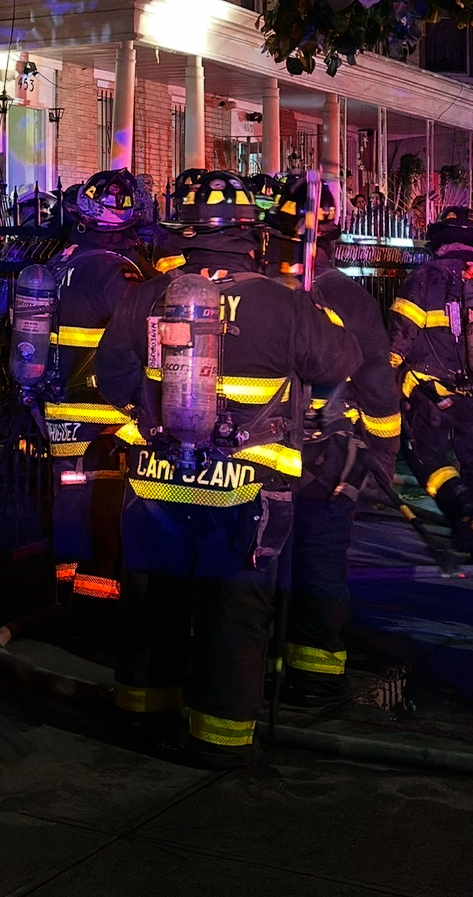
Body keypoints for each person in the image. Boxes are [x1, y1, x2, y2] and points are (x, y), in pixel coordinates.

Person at [96, 169, 360, 765]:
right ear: (252, 236)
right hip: (248, 489)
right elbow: (340, 359)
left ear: (185, 235)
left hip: (157, 483)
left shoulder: (149, 296)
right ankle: (218, 742)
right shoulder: (285, 304)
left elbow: (111, 374)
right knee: (232, 613)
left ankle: (140, 719)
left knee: (151, 604)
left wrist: (149, 419)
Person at [266, 174, 398, 704]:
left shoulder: (250, 288)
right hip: (327, 459)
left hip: (256, 453)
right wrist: (382, 457)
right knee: (319, 561)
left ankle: (260, 665)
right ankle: (316, 675)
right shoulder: (349, 296)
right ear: (336, 236)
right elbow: (378, 389)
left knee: (261, 559)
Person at [392, 206, 473, 561]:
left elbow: (398, 339)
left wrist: (379, 385)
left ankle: (458, 505)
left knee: (426, 454)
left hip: (432, 397)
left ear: (439, 242)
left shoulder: (425, 278)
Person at [42, 170, 150, 608]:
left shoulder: (60, 260)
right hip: (105, 415)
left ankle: (62, 588)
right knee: (104, 504)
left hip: (60, 409)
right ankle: (96, 601)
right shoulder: (115, 272)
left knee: (68, 497)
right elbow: (145, 333)